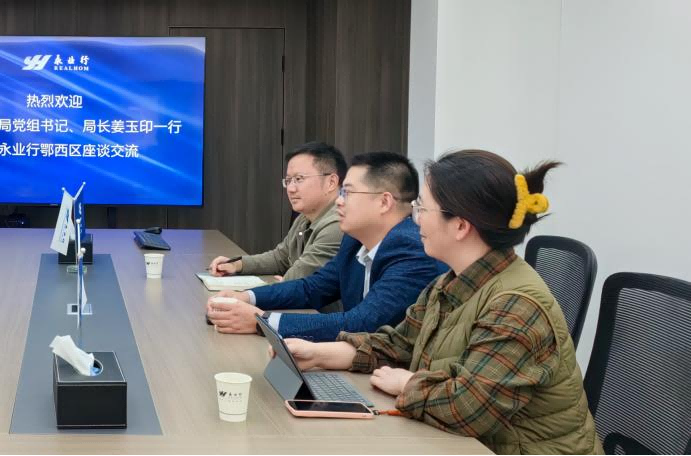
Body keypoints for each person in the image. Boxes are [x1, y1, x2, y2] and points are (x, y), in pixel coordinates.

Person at [271, 150, 600, 455]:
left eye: (422, 209)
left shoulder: (516, 305)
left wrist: (407, 382)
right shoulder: (451, 281)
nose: (415, 220)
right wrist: (321, 353)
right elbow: (400, 344)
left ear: (460, 226)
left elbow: (468, 409)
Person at [208, 151, 445, 340]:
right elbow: (311, 289)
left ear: (384, 202)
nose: (339, 201)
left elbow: (362, 323)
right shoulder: (354, 241)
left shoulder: (411, 250)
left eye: (348, 193)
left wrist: (264, 321)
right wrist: (246, 297)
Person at [207, 142, 344, 284]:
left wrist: (285, 281)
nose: (290, 189)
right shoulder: (305, 217)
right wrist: (236, 265)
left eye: (299, 179)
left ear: (331, 182)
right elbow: (280, 258)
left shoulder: (338, 223)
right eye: (288, 180)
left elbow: (297, 279)